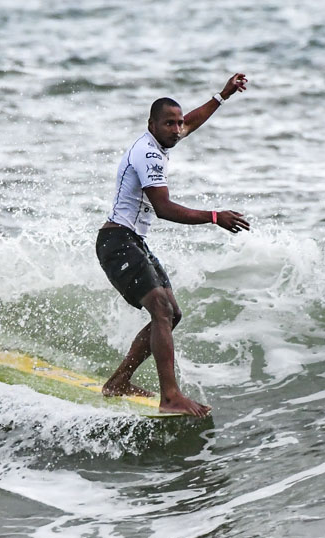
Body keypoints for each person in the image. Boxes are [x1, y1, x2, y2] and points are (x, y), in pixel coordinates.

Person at [96, 73, 251, 417]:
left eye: (178, 123)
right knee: (161, 309)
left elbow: (191, 121)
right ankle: (170, 397)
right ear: (151, 125)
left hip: (132, 241)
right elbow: (163, 208)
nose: (177, 129)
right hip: (116, 241)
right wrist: (215, 216)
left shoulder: (166, 139)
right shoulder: (148, 154)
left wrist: (223, 95)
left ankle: (118, 382)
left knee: (171, 314)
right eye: (169, 123)